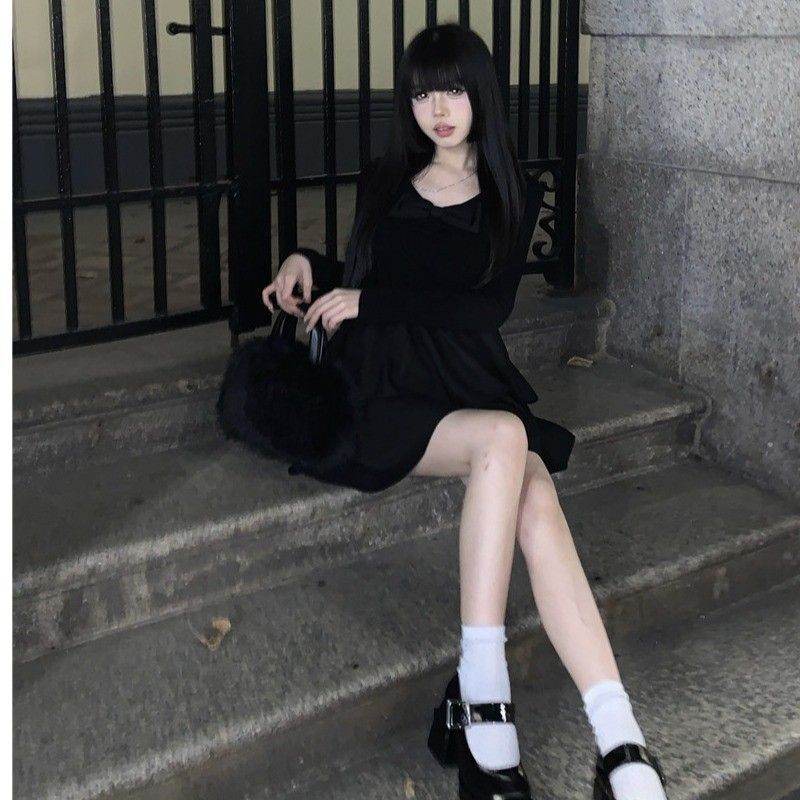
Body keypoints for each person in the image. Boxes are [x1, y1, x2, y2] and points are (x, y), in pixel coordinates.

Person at [262, 23, 668, 800]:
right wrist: (306, 263)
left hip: (463, 381)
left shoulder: (514, 187)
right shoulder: (386, 178)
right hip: (381, 386)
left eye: (452, 90)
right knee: (508, 442)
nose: (438, 110)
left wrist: (372, 299)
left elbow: (484, 310)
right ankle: (492, 695)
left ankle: (616, 736)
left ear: (480, 91)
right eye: (422, 94)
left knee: (534, 494)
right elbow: (368, 274)